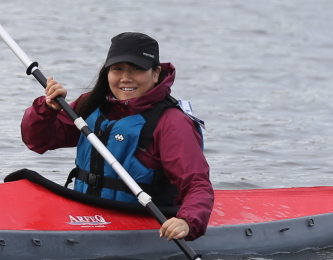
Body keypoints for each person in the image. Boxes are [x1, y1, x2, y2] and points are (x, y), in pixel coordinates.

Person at [20, 32, 213, 241]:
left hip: (142, 219)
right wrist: (47, 109)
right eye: (117, 69)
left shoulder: (172, 122)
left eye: (136, 69)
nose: (125, 78)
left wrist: (186, 221)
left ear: (156, 73)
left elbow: (197, 184)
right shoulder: (93, 104)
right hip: (87, 211)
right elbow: (38, 141)